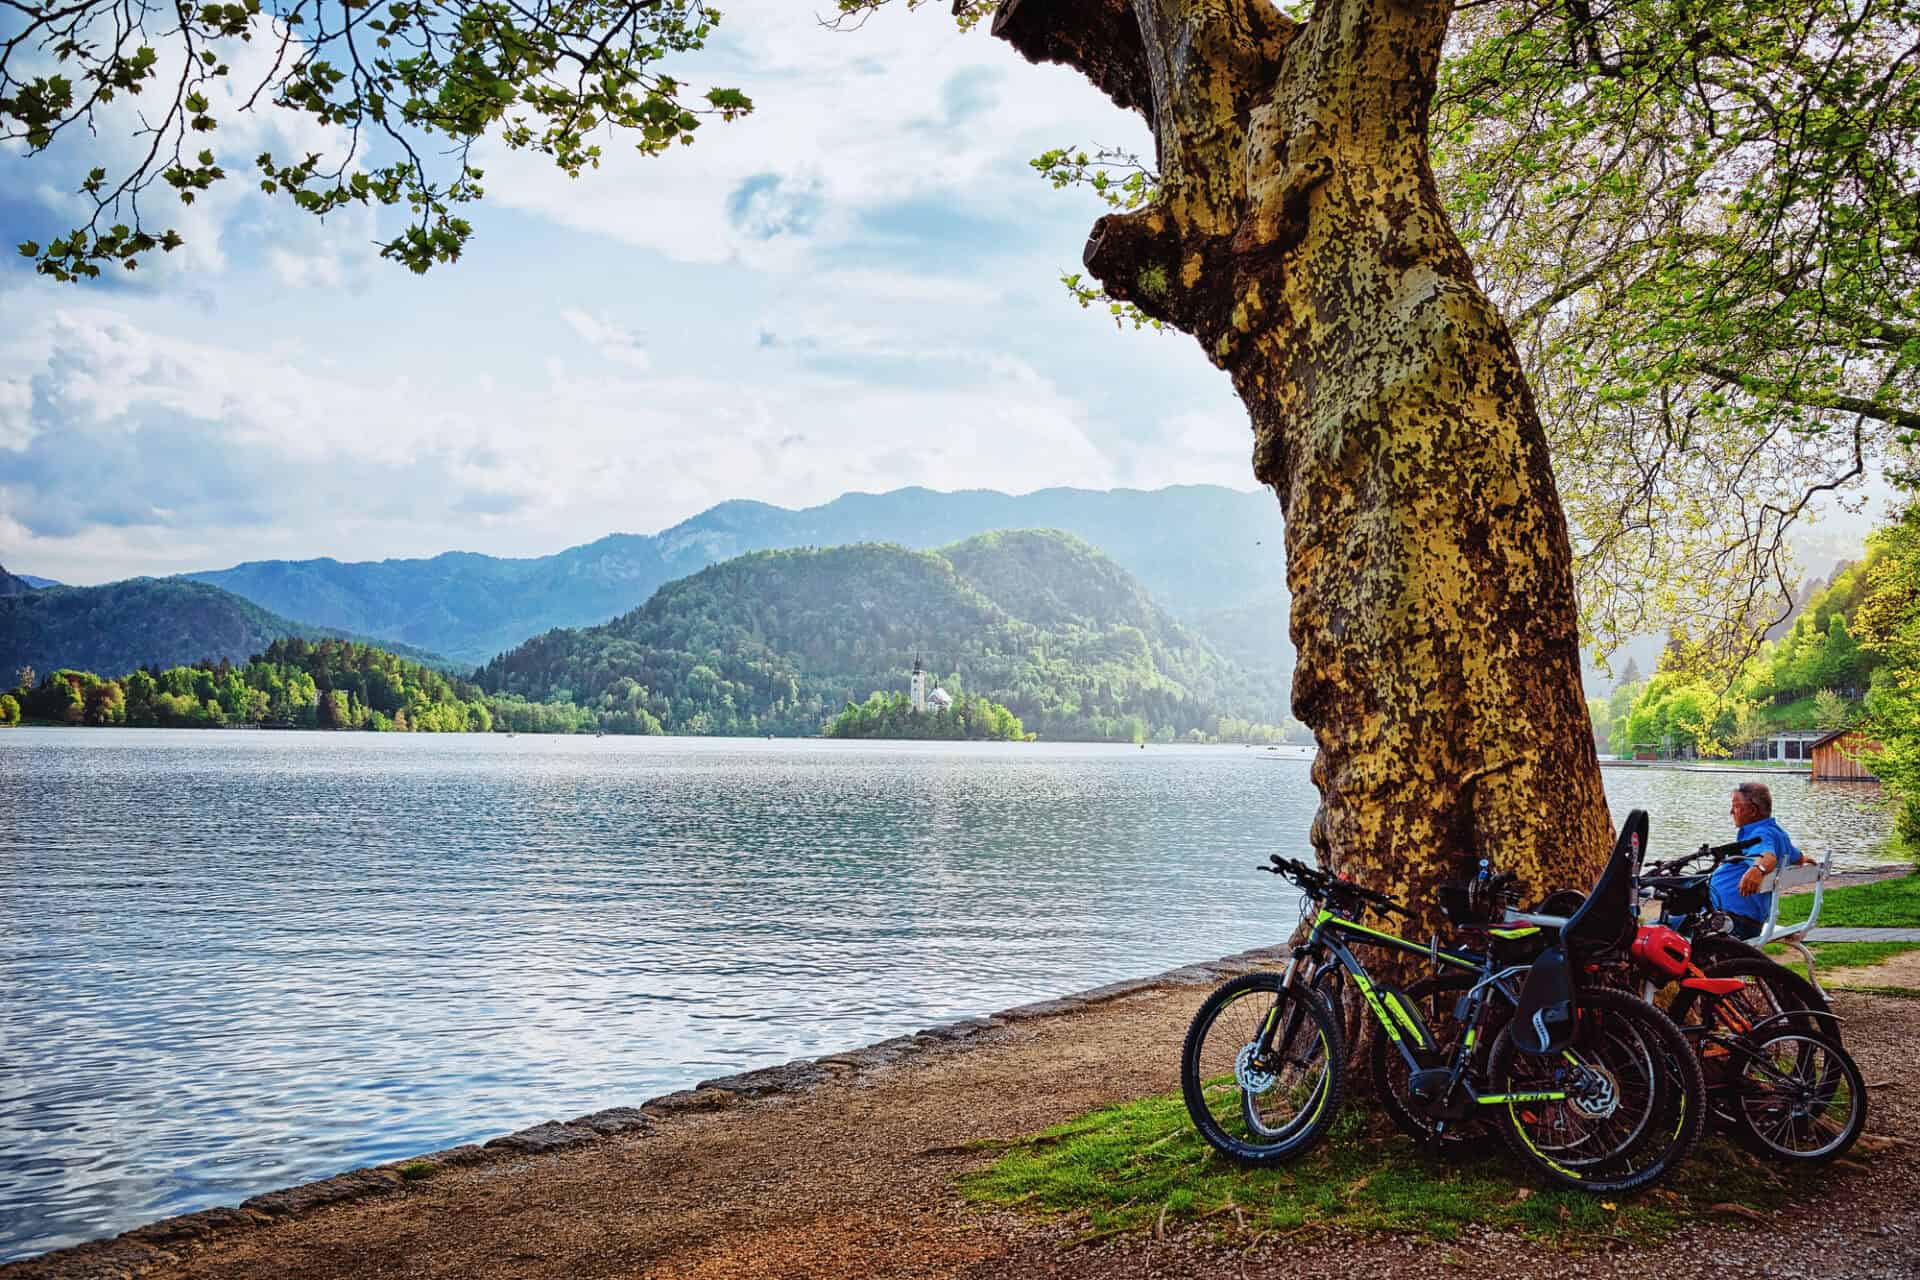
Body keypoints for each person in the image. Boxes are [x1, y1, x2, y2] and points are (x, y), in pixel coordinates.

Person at [1711, 781, 1804, 940]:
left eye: (1736, 806)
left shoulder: (1759, 833)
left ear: (1753, 811)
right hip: (1746, 920)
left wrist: (1757, 870)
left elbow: (1768, 857)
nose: (1731, 812)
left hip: (1732, 923)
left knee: (1663, 929)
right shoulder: (1778, 833)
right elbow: (1798, 858)